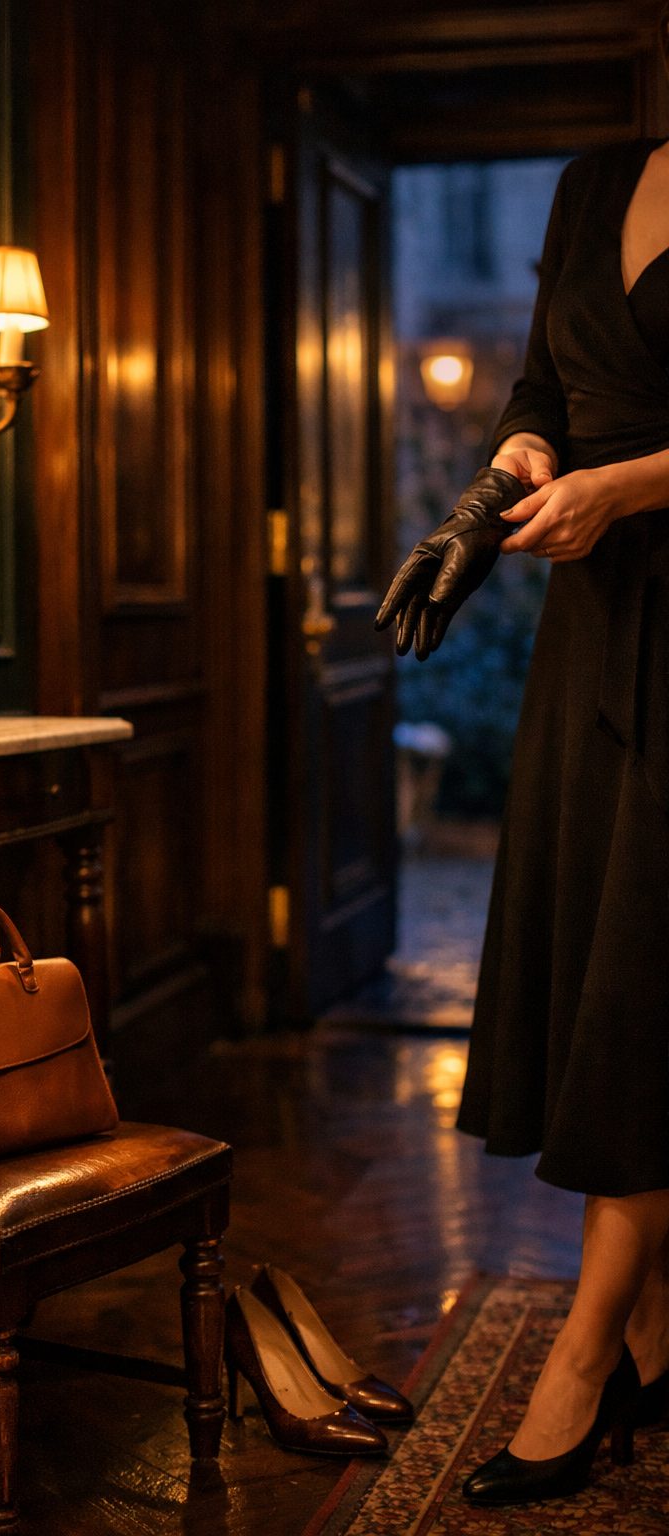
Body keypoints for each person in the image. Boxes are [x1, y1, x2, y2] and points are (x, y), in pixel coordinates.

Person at [376, 11, 669, 1507]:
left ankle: (579, 1358)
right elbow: (540, 395)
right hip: (590, 631)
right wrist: (483, 512)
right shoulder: (590, 178)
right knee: (587, 961)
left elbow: (615, 458)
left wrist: (641, 484)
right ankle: (662, 1342)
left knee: (651, 989)